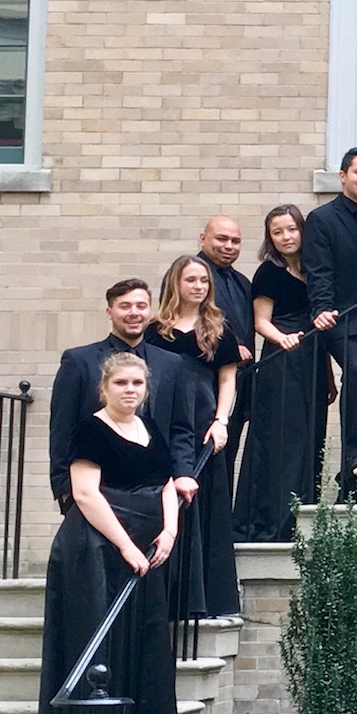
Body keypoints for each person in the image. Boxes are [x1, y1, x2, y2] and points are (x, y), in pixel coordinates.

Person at [36, 352, 181, 714]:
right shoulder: (90, 430)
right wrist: (125, 545)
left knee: (143, 633)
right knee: (96, 634)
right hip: (95, 548)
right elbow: (84, 493)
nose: (130, 390)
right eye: (121, 383)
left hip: (144, 546)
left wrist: (169, 530)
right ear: (104, 388)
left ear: (146, 387)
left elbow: (167, 482)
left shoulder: (149, 426)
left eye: (137, 383)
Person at [144, 254, 243, 619]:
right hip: (164, 422)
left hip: (204, 423)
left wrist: (222, 421)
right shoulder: (155, 331)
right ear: (176, 284)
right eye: (191, 280)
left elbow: (227, 379)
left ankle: (206, 598)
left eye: (203, 280)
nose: (199, 286)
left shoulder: (218, 328)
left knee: (207, 504)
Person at [48, 279, 200, 516]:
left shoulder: (172, 364)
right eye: (125, 306)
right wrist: (65, 488)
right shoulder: (79, 362)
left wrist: (183, 473)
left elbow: (181, 427)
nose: (134, 313)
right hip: (99, 488)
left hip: (155, 491)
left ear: (150, 311)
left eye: (141, 306)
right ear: (109, 312)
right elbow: (62, 428)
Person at [235, 205, 331, 544]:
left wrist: (330, 375)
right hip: (282, 359)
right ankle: (271, 522)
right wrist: (283, 339)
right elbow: (261, 322)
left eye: (291, 229)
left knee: (309, 436)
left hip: (312, 359)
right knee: (282, 439)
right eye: (278, 232)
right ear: (270, 238)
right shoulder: (268, 273)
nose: (286, 237)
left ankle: (301, 512)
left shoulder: (314, 270)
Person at [304, 147, 357, 497]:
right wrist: (321, 308)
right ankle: (352, 458)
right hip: (340, 317)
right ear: (342, 176)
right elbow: (318, 270)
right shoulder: (322, 219)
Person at [196, 216, 257, 495]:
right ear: (203, 239)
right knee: (204, 458)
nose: (229, 246)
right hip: (205, 382)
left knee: (227, 457)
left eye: (235, 241)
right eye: (222, 239)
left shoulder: (243, 282)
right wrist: (230, 346)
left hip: (239, 382)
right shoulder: (192, 276)